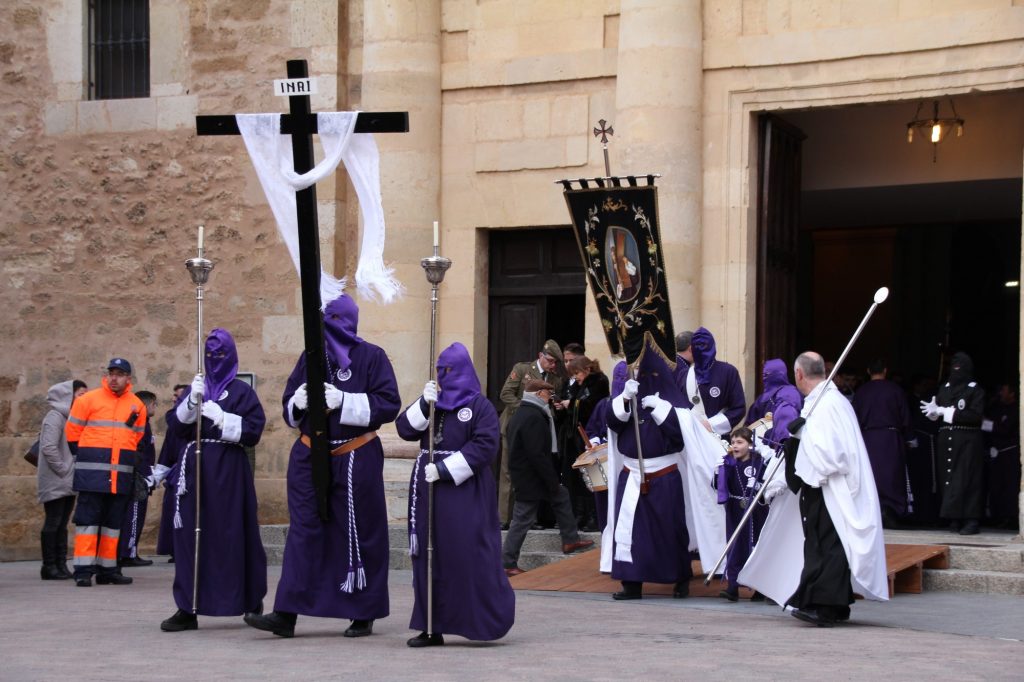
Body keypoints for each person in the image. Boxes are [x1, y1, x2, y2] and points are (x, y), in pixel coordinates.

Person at [246, 295, 400, 639]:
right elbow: (289, 406)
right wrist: (295, 404)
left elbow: (389, 404)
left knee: (360, 531)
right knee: (303, 532)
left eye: (335, 320)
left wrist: (346, 401)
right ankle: (286, 613)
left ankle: (364, 612)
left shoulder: (372, 357)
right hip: (309, 455)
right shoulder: (310, 357)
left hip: (355, 454)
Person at [742, 352, 888, 627]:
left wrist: (802, 435)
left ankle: (826, 607)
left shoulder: (828, 405)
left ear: (798, 374)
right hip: (821, 488)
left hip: (830, 488)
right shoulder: (823, 402)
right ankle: (835, 603)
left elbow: (833, 456)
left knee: (828, 546)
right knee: (824, 544)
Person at [396, 342, 515, 648]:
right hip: (427, 488)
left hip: (464, 492)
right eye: (440, 370)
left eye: (449, 370)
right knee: (429, 555)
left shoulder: (480, 406)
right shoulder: (433, 401)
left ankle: (480, 621)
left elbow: (486, 445)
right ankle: (430, 625)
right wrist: (423, 403)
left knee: (466, 554)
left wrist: (446, 468)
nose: (444, 375)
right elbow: (404, 430)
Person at [160, 329, 268, 632]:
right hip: (195, 472)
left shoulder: (242, 393)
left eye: (221, 354)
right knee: (190, 538)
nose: (215, 360)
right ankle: (188, 606)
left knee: (232, 534)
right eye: (211, 355)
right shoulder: (196, 389)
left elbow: (254, 431)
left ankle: (247, 599)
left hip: (229, 473)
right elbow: (175, 429)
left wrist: (223, 418)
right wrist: (189, 405)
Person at [605, 348, 694, 601]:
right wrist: (624, 399)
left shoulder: (673, 402)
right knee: (631, 531)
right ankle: (631, 582)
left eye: (652, 374)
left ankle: (679, 578)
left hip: (663, 475)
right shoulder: (630, 397)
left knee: (670, 529)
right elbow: (612, 423)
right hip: (632, 472)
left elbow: (680, 436)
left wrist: (661, 409)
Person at [65, 358, 148, 587]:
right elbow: (72, 434)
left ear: (128, 378)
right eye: (111, 373)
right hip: (92, 476)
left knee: (113, 526)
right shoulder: (88, 400)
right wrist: (87, 459)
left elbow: (137, 438)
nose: (114, 377)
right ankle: (83, 570)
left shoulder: (137, 405)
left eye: (119, 374)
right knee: (88, 524)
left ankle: (107, 570)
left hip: (120, 476)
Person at [502, 378, 593, 576]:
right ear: (537, 394)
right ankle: (507, 563)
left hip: (529, 476)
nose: (550, 397)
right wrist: (551, 479)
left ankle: (570, 540)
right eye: (547, 393)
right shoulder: (533, 416)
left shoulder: (524, 413)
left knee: (561, 496)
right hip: (531, 477)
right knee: (522, 519)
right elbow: (536, 454)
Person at [496, 340, 565, 526]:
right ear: (540, 356)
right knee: (509, 473)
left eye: (555, 362)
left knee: (533, 472)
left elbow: (550, 404)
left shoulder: (555, 379)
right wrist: (527, 410)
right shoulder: (521, 369)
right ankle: (503, 518)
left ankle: (529, 518)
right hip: (514, 427)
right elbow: (506, 394)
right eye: (550, 360)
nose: (552, 365)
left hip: (536, 432)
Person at [920, 352, 986, 535]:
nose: (956, 371)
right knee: (948, 479)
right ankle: (954, 517)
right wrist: (934, 413)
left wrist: (947, 413)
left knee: (967, 480)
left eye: (960, 367)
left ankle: (971, 519)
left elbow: (975, 416)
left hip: (967, 442)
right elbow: (939, 411)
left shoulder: (975, 390)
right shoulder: (945, 388)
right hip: (947, 440)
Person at [852, 360, 911, 528]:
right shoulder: (895, 390)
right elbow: (905, 417)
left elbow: (854, 417)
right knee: (892, 476)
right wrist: (909, 437)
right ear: (885, 370)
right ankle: (892, 513)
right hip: (891, 438)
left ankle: (873, 513)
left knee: (871, 475)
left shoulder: (861, 392)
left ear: (868, 370)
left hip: (868, 439)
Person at [712, 427, 768, 602]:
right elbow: (718, 486)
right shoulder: (728, 463)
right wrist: (717, 474)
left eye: (740, 442)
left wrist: (758, 485)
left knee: (757, 547)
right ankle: (733, 586)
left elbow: (769, 485)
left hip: (757, 510)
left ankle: (760, 588)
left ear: (750, 445)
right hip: (736, 509)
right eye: (733, 442)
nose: (735, 446)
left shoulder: (760, 462)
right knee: (735, 546)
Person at [560, 355, 609, 531]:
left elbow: (590, 404)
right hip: (577, 435)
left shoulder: (599, 381)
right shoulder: (581, 384)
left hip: (591, 435)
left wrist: (571, 403)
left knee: (593, 476)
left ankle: (593, 517)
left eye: (577, 373)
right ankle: (580, 515)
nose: (576, 378)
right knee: (579, 478)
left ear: (586, 369)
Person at [36, 380, 79, 580]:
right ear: (67, 396)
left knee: (62, 523)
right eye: (79, 394)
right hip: (56, 479)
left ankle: (61, 564)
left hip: (67, 480)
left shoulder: (71, 418)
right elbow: (49, 447)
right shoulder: (55, 417)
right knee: (53, 522)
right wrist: (64, 469)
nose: (83, 398)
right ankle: (49, 566)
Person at [678, 327, 746, 437]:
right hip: (692, 438)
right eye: (697, 346)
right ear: (692, 349)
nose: (701, 350)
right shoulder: (683, 374)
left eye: (704, 345)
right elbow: (678, 407)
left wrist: (712, 424)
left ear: (711, 346)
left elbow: (738, 408)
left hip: (718, 438)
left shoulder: (728, 372)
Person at [119, 389, 157, 568]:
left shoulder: (145, 423)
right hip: (138, 476)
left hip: (143, 474)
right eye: (154, 404)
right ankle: (128, 552)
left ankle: (129, 550)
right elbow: (137, 450)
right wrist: (145, 474)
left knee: (136, 515)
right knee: (134, 516)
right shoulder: (138, 422)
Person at [155, 384, 189, 561]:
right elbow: (168, 449)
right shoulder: (173, 423)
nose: (175, 400)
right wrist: (160, 472)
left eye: (179, 397)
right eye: (174, 398)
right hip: (175, 474)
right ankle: (174, 549)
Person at [745, 358, 803, 449]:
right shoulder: (761, 399)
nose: (764, 377)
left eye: (768, 374)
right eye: (764, 374)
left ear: (779, 374)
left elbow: (787, 425)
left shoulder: (790, 394)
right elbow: (749, 425)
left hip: (780, 448)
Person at [985, 382, 1020, 529]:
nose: (1000, 393)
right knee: (995, 486)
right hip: (996, 453)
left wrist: (984, 423)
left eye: (1004, 391)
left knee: (1009, 487)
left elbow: (1005, 430)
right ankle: (996, 515)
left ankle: (1009, 517)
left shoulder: (1016, 410)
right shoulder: (996, 408)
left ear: (1012, 394)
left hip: (1010, 453)